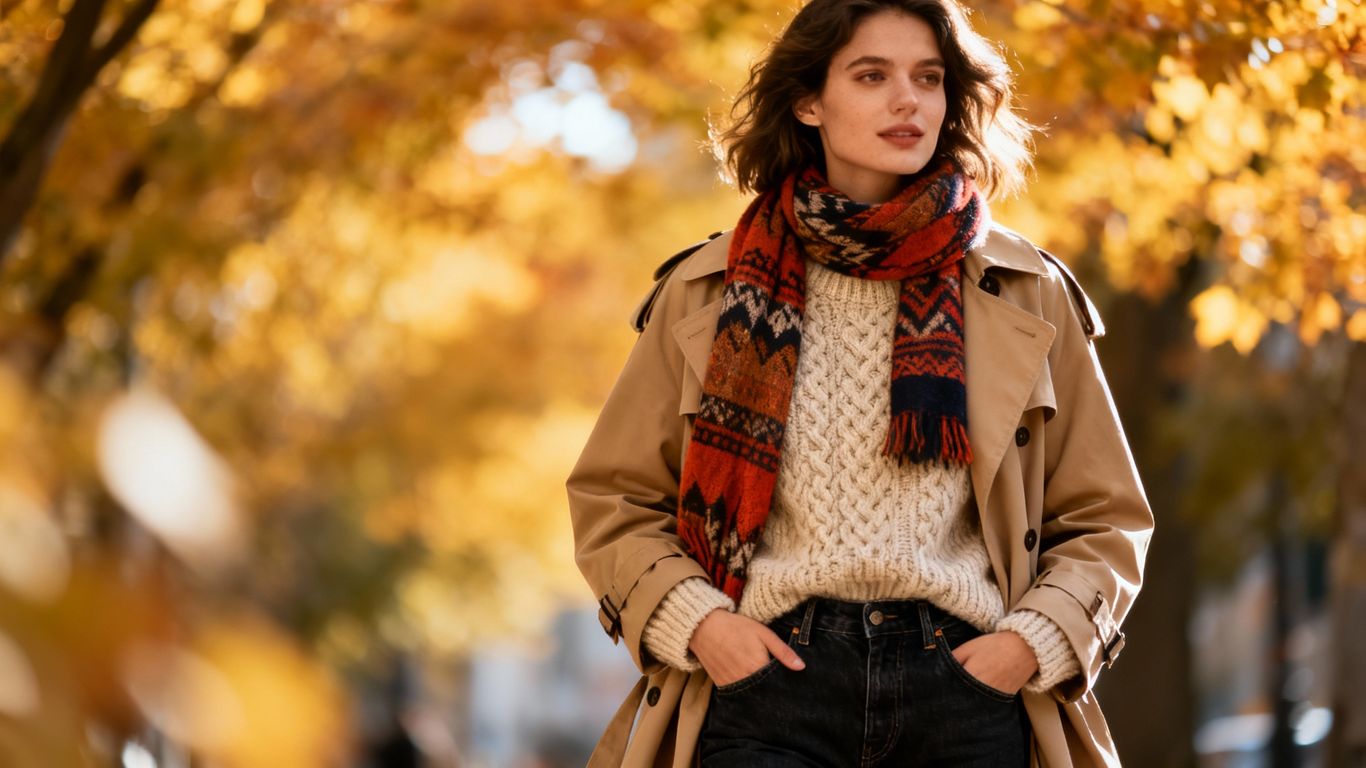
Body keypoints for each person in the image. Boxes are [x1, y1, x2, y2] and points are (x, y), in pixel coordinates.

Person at [566, 0, 1154, 765]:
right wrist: (704, 628)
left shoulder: (1025, 288)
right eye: (872, 75)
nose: (908, 100)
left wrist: (1027, 645)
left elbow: (1105, 516)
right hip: (767, 690)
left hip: (968, 693)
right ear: (809, 100)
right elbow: (616, 500)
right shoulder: (705, 292)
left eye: (929, 78)